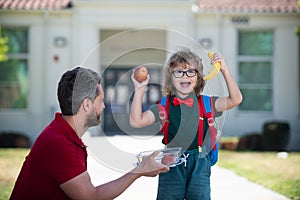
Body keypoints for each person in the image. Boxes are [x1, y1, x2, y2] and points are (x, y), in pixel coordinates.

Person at [10, 67, 170, 200]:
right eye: (100, 102)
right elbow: (90, 197)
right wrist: (139, 171)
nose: (104, 107)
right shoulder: (58, 143)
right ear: (87, 105)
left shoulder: (63, 135)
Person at [130, 48, 242, 199]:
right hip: (171, 162)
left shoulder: (207, 103)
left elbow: (235, 99)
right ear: (171, 78)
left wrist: (225, 70)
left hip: (200, 162)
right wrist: (139, 89)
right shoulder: (164, 105)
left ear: (198, 78)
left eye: (191, 72)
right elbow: (137, 121)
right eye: (178, 72)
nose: (185, 76)